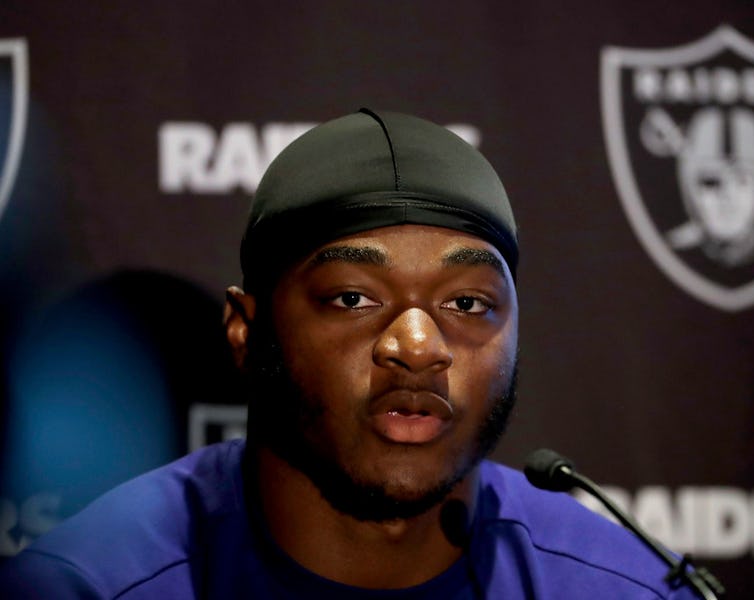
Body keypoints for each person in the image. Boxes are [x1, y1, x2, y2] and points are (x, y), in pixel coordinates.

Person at [0, 109, 703, 598]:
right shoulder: (88, 586)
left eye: (467, 304)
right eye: (352, 298)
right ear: (245, 329)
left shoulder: (627, 589)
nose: (419, 346)